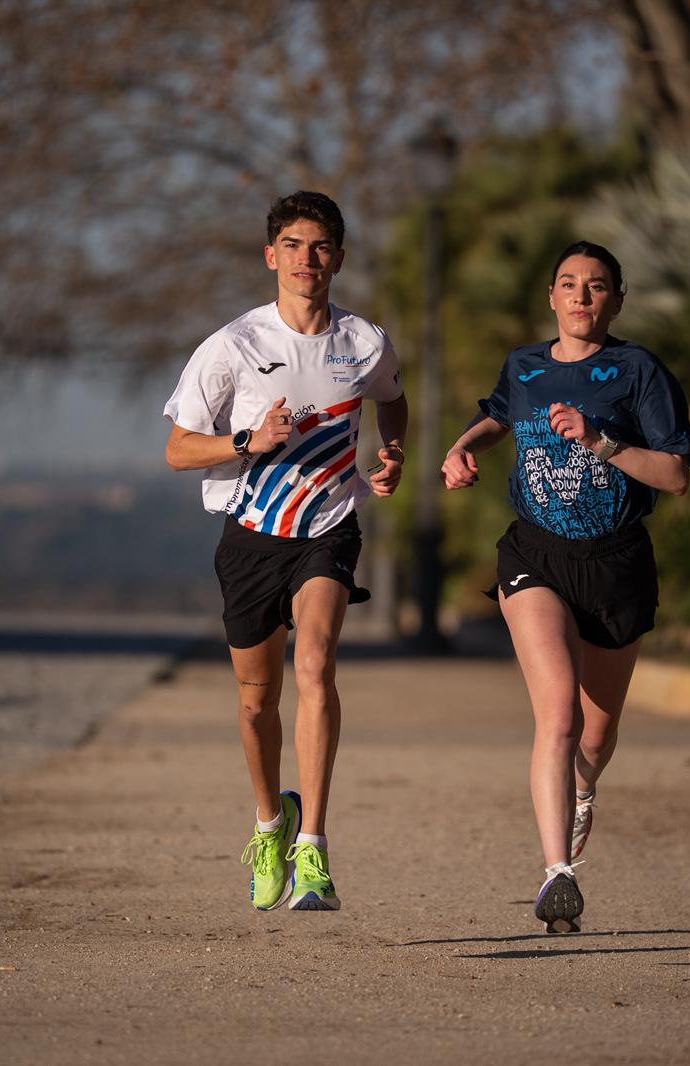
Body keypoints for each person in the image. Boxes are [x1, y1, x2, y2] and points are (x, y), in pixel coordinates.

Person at [440, 241, 690, 932]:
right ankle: (558, 874)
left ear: (615, 299)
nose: (581, 296)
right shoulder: (525, 365)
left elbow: (675, 476)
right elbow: (499, 414)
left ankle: (584, 791)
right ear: (550, 297)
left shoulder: (639, 371)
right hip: (536, 554)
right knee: (559, 716)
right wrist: (462, 447)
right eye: (568, 284)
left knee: (596, 732)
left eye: (596, 286)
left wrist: (602, 444)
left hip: (617, 563)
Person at [163, 191, 408, 912]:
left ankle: (316, 851)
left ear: (339, 256)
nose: (308, 259)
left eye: (322, 245)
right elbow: (178, 449)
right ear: (271, 256)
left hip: (328, 528)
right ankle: (272, 823)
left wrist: (392, 451)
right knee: (253, 704)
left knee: (316, 665)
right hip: (249, 536)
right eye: (294, 245)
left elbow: (391, 396)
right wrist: (248, 442)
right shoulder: (232, 345)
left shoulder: (364, 341)